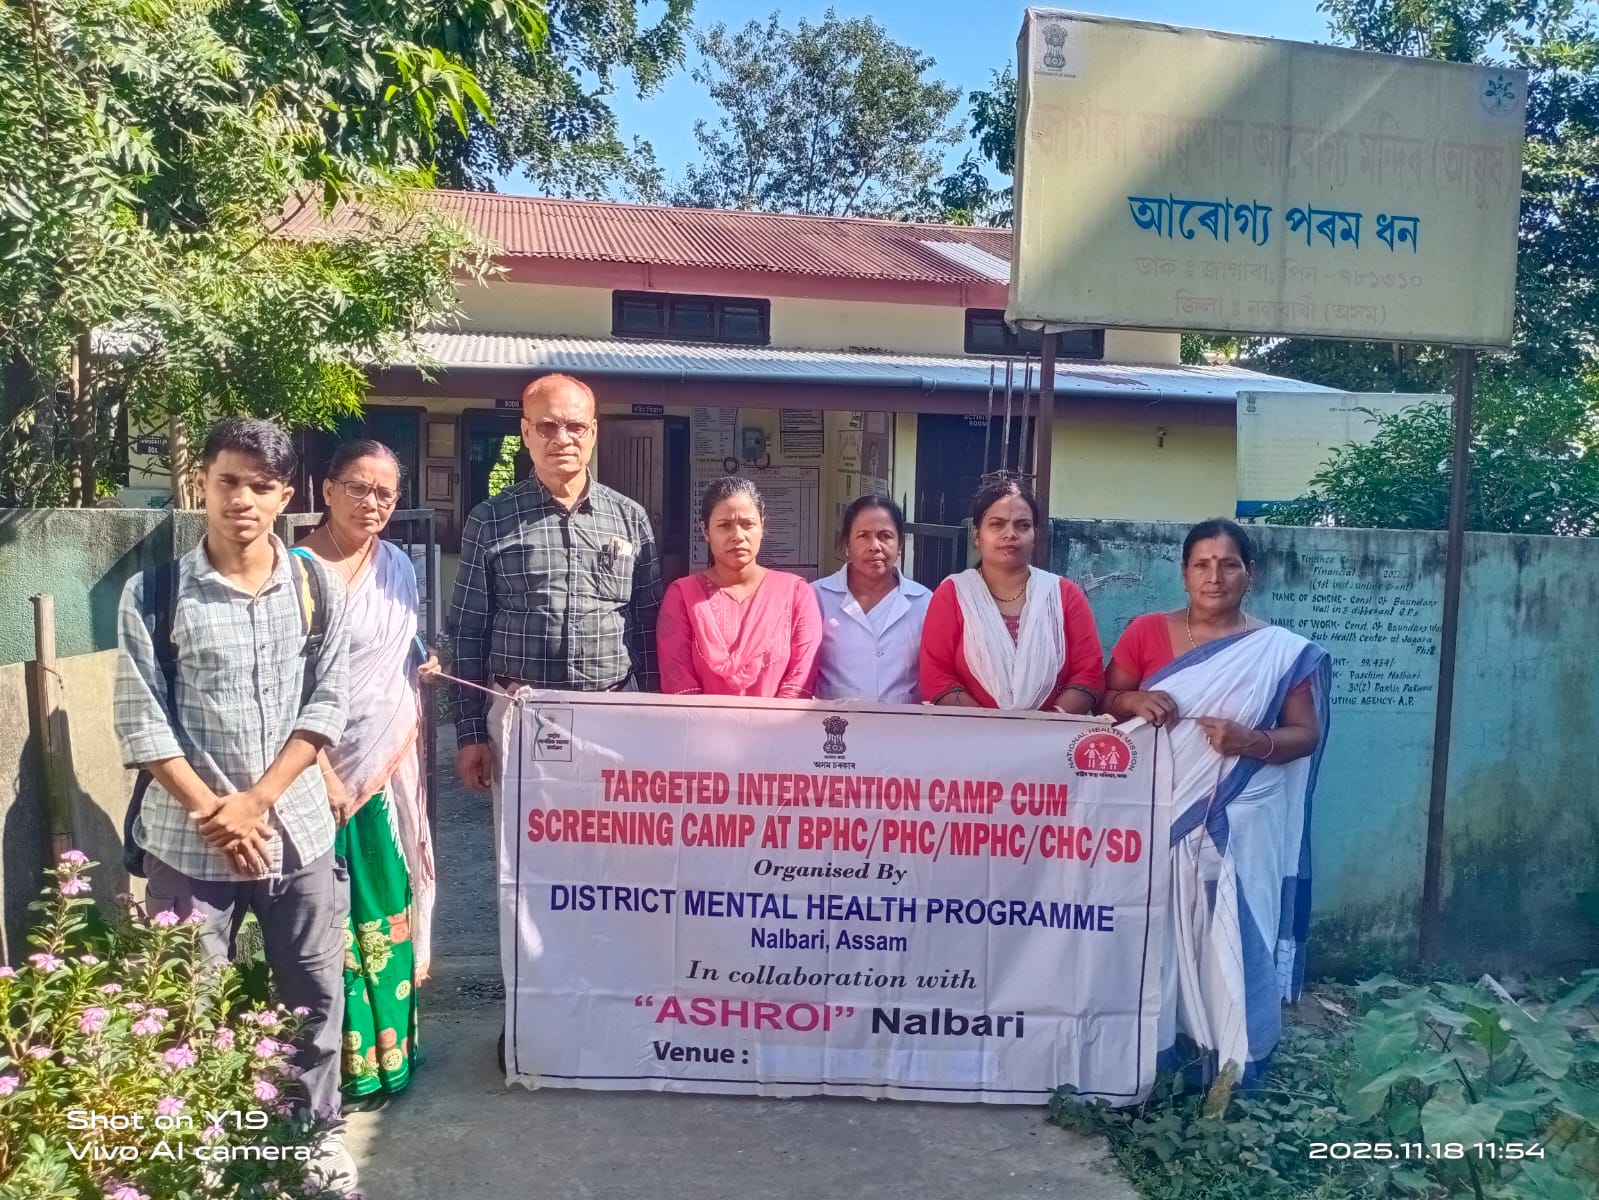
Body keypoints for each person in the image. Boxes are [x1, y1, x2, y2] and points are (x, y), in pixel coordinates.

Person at [113, 418, 356, 1189]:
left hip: (297, 833)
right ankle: (203, 1148)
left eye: (260, 485)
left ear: (286, 495)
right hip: (188, 843)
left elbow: (329, 704)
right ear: (203, 485)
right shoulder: (153, 593)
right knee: (186, 1003)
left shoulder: (317, 588)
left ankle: (313, 1136)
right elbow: (141, 718)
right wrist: (214, 812)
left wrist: (259, 800)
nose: (241, 500)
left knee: (312, 996)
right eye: (227, 481)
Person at [1102, 518, 1330, 1088]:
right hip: (1157, 812)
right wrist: (1134, 700)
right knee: (1154, 935)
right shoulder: (1146, 633)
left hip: (1240, 820)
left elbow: (1306, 734)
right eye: (1202, 564)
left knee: (1227, 937)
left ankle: (1231, 1061)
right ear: (1183, 574)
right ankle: (1157, 1059)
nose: (1215, 576)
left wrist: (1251, 741)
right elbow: (1107, 699)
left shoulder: (1277, 652)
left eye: (1229, 564)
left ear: (1250, 574)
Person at [291, 439, 438, 1103]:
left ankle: (394, 1053)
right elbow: (284, 680)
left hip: (389, 764)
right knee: (330, 917)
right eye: (357, 487)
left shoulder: (397, 564)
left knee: (388, 904)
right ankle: (343, 1064)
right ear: (327, 490)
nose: (371, 502)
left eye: (385, 492)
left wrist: (423, 658)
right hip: (315, 769)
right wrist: (318, 767)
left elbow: (401, 640)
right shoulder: (294, 571)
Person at [449, 373, 662, 807]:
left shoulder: (630, 518)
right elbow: (468, 632)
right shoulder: (490, 519)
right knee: (524, 841)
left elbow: (648, 625)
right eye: (547, 426)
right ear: (526, 432)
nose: (562, 438)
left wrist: (658, 716)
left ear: (593, 432)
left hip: (612, 714)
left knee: (610, 834)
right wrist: (470, 733)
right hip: (521, 713)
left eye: (575, 426)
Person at [918, 477, 1105, 712]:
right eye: (997, 524)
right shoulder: (953, 594)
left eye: (1023, 525)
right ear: (976, 535)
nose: (1011, 534)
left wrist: (1046, 723)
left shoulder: (1064, 595)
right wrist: (992, 727)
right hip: (969, 731)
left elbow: (1089, 673)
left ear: (1035, 535)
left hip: (1053, 732)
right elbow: (936, 675)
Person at [658, 476, 822, 697]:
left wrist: (770, 720)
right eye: (725, 526)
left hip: (780, 719)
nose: (738, 536)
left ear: (762, 526)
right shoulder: (683, 596)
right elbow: (679, 684)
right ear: (705, 531)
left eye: (748, 524)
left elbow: (801, 679)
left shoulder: (796, 593)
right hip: (701, 719)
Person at [811, 495, 930, 704]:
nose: (875, 546)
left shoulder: (923, 602)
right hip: (835, 721)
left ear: (900, 544)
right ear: (846, 544)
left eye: (885, 536)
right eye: (863, 536)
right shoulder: (817, 596)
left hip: (903, 722)